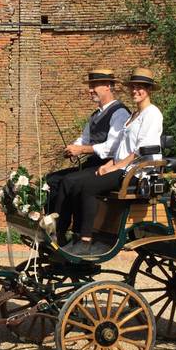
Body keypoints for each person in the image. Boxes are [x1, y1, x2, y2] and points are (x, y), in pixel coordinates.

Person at [57, 67, 164, 257]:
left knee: (89, 187)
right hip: (125, 167)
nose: (135, 91)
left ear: (149, 90)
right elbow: (122, 146)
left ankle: (85, 241)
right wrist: (109, 164)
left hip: (139, 172)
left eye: (140, 87)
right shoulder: (133, 115)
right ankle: (70, 234)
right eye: (133, 87)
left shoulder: (152, 114)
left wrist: (117, 166)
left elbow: (141, 150)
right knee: (78, 181)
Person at [45, 68, 131, 244]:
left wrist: (82, 150)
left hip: (108, 165)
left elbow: (112, 147)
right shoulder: (96, 115)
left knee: (69, 181)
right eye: (90, 86)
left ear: (108, 86)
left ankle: (61, 232)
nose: (90, 89)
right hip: (91, 163)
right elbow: (84, 138)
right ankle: (49, 223)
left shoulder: (120, 113)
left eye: (94, 85)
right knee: (52, 179)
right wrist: (72, 148)